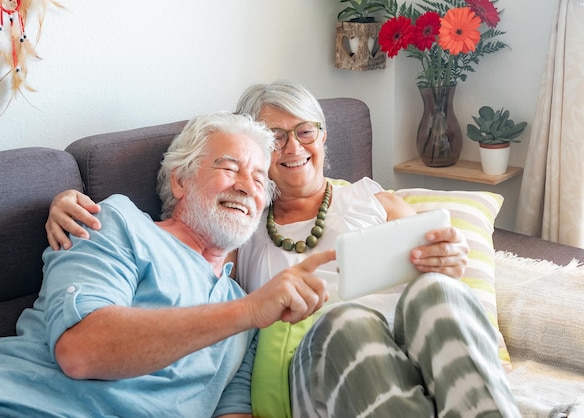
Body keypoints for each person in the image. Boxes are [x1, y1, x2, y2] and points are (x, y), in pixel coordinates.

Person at [46, 80, 521, 417]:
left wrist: (449, 261)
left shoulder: (375, 199)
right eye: (273, 138)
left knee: (434, 293)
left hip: (410, 341)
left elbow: (443, 268)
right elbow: (190, 261)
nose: (293, 146)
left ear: (323, 135)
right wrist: (68, 201)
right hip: (325, 359)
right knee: (348, 321)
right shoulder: (238, 230)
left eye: (305, 130)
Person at [0, 112, 334, 417]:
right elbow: (80, 351)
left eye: (259, 180)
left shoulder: (244, 313)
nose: (247, 187)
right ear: (180, 181)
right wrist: (248, 311)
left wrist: (248, 313)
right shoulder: (118, 222)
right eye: (229, 168)